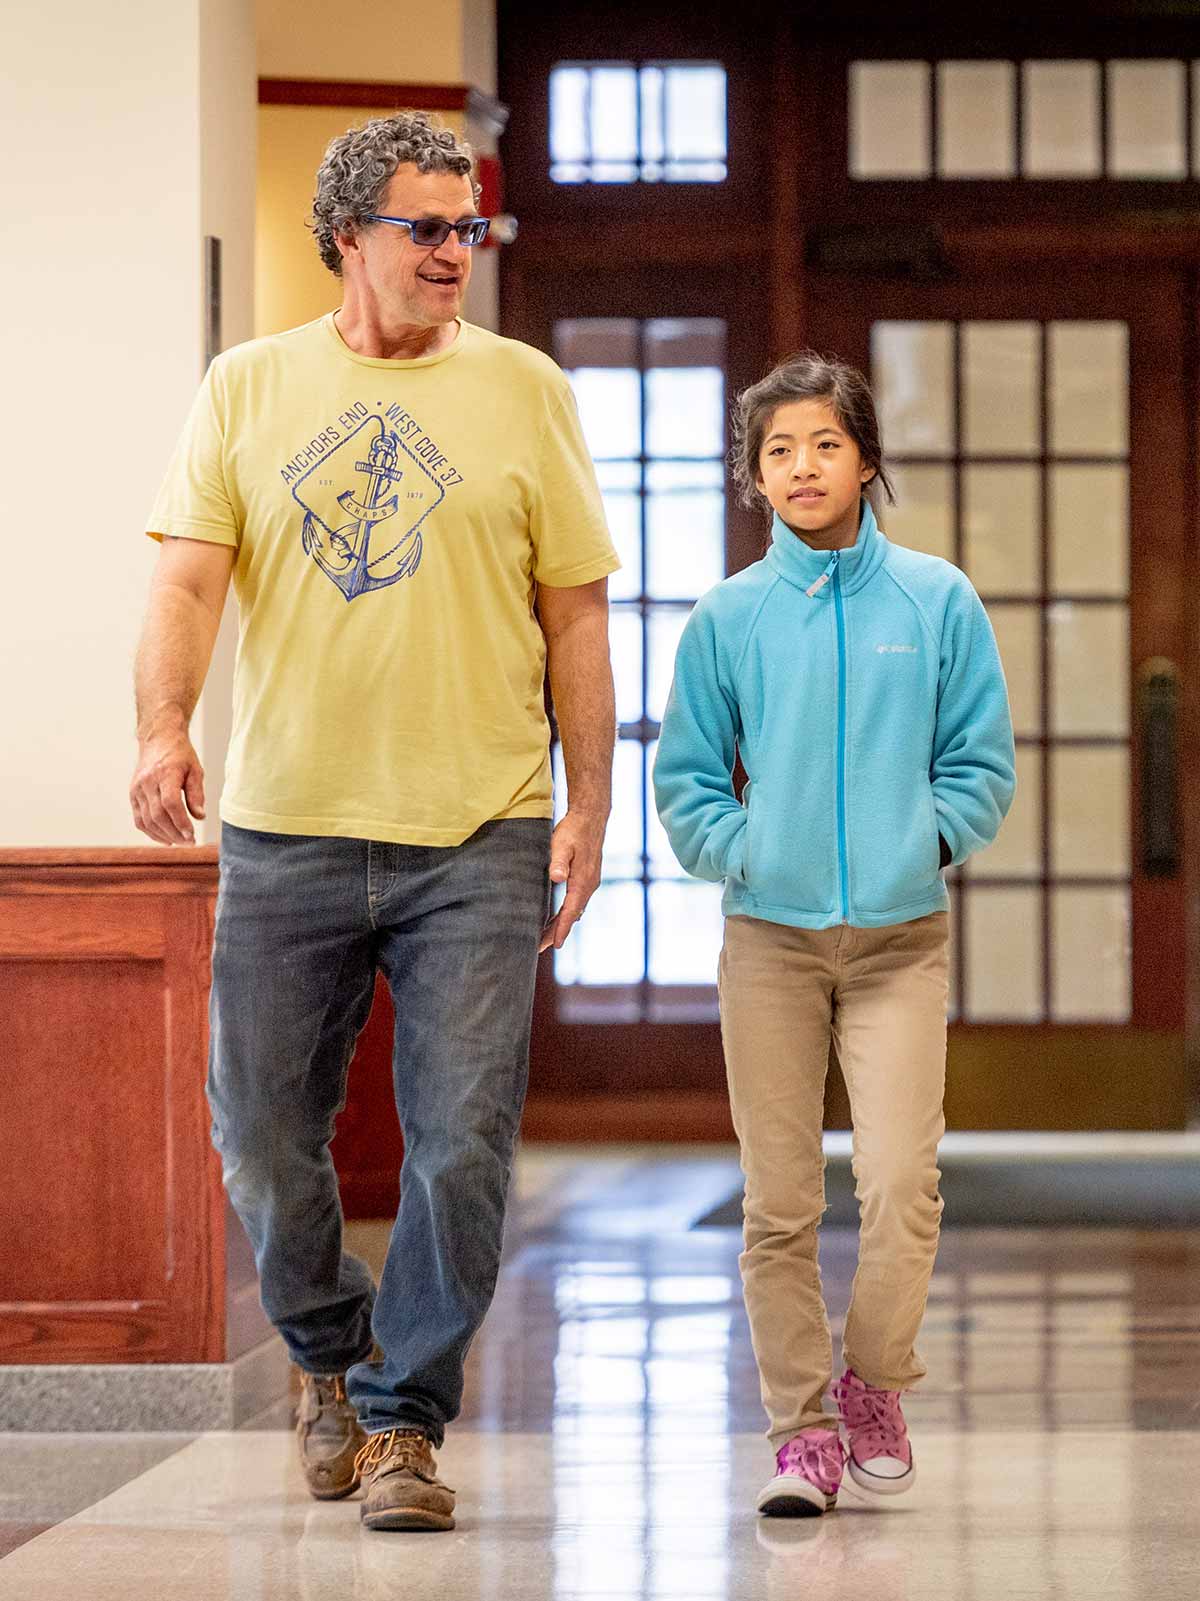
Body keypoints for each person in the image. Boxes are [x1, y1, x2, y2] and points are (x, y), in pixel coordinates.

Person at [130, 112, 618, 1533]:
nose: (456, 252)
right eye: (428, 227)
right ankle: (328, 1352)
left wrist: (588, 801)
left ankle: (406, 1418)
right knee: (265, 1138)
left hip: (480, 825)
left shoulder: (525, 391)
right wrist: (164, 725)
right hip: (287, 828)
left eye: (470, 227)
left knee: (461, 1140)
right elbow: (184, 587)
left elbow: (575, 615)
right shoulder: (248, 385)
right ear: (350, 234)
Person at [653, 352, 1014, 1517]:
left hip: (902, 940)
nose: (802, 466)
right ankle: (800, 1428)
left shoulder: (937, 600)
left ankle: (874, 1381)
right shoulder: (729, 615)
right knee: (780, 1199)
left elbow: (981, 765)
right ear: (755, 478)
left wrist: (928, 840)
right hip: (770, 938)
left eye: (823, 443)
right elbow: (691, 779)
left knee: (905, 1178)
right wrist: (745, 850)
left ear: (866, 457)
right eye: (777, 451)